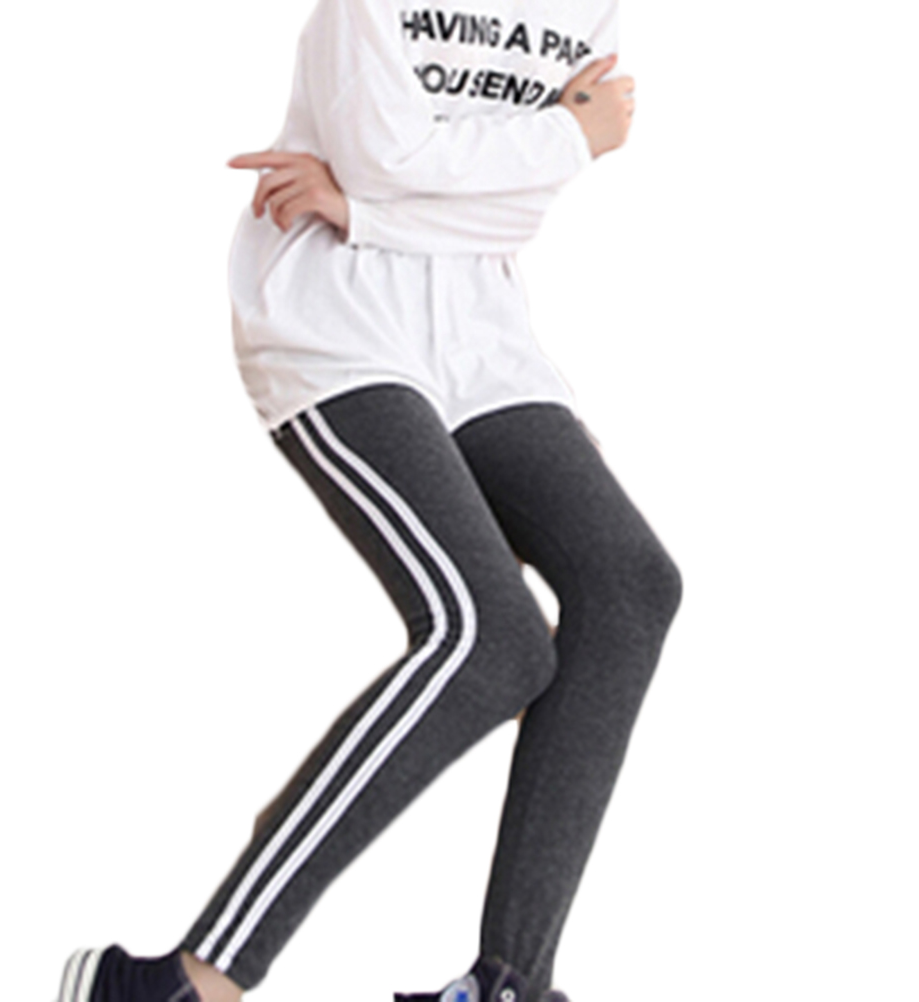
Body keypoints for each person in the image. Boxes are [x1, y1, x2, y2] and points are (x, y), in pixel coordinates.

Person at [55, 0, 682, 999]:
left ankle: (510, 983)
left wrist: (371, 205)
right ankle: (190, 980)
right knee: (490, 640)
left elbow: (518, 210)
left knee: (631, 586)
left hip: (485, 335)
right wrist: (564, 136)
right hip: (338, 317)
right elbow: (389, 155)